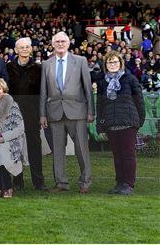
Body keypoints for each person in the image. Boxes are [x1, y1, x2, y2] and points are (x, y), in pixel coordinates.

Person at [40, 31, 94, 193]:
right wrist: (42, 114)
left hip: (77, 112)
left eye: (63, 41)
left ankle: (85, 182)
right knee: (57, 150)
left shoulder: (81, 61)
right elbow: (44, 91)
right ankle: (61, 183)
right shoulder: (46, 64)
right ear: (53, 44)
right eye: (57, 41)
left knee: (81, 149)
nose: (60, 44)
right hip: (54, 112)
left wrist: (91, 111)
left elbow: (87, 88)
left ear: (69, 43)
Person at [96, 51, 145, 195]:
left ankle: (129, 184)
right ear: (106, 65)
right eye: (110, 62)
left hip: (128, 122)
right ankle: (120, 183)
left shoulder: (130, 78)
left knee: (128, 154)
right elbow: (100, 105)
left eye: (115, 62)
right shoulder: (102, 82)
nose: (113, 64)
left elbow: (139, 101)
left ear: (121, 63)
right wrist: (100, 123)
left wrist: (139, 120)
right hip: (111, 123)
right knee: (117, 155)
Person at [6, 37, 47, 190]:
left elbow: (43, 94)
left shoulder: (39, 68)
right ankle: (18, 181)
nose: (24, 49)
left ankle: (38, 181)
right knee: (16, 149)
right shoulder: (8, 68)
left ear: (31, 49)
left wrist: (41, 114)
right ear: (15, 50)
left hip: (32, 114)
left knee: (34, 149)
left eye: (27, 47)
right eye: (21, 47)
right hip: (13, 115)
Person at [0, 78, 26, 198]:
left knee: (1, 151)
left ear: (4, 90)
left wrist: (4, 137)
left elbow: (20, 128)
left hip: (11, 139)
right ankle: (3, 187)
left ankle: (1, 187)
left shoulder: (12, 104)